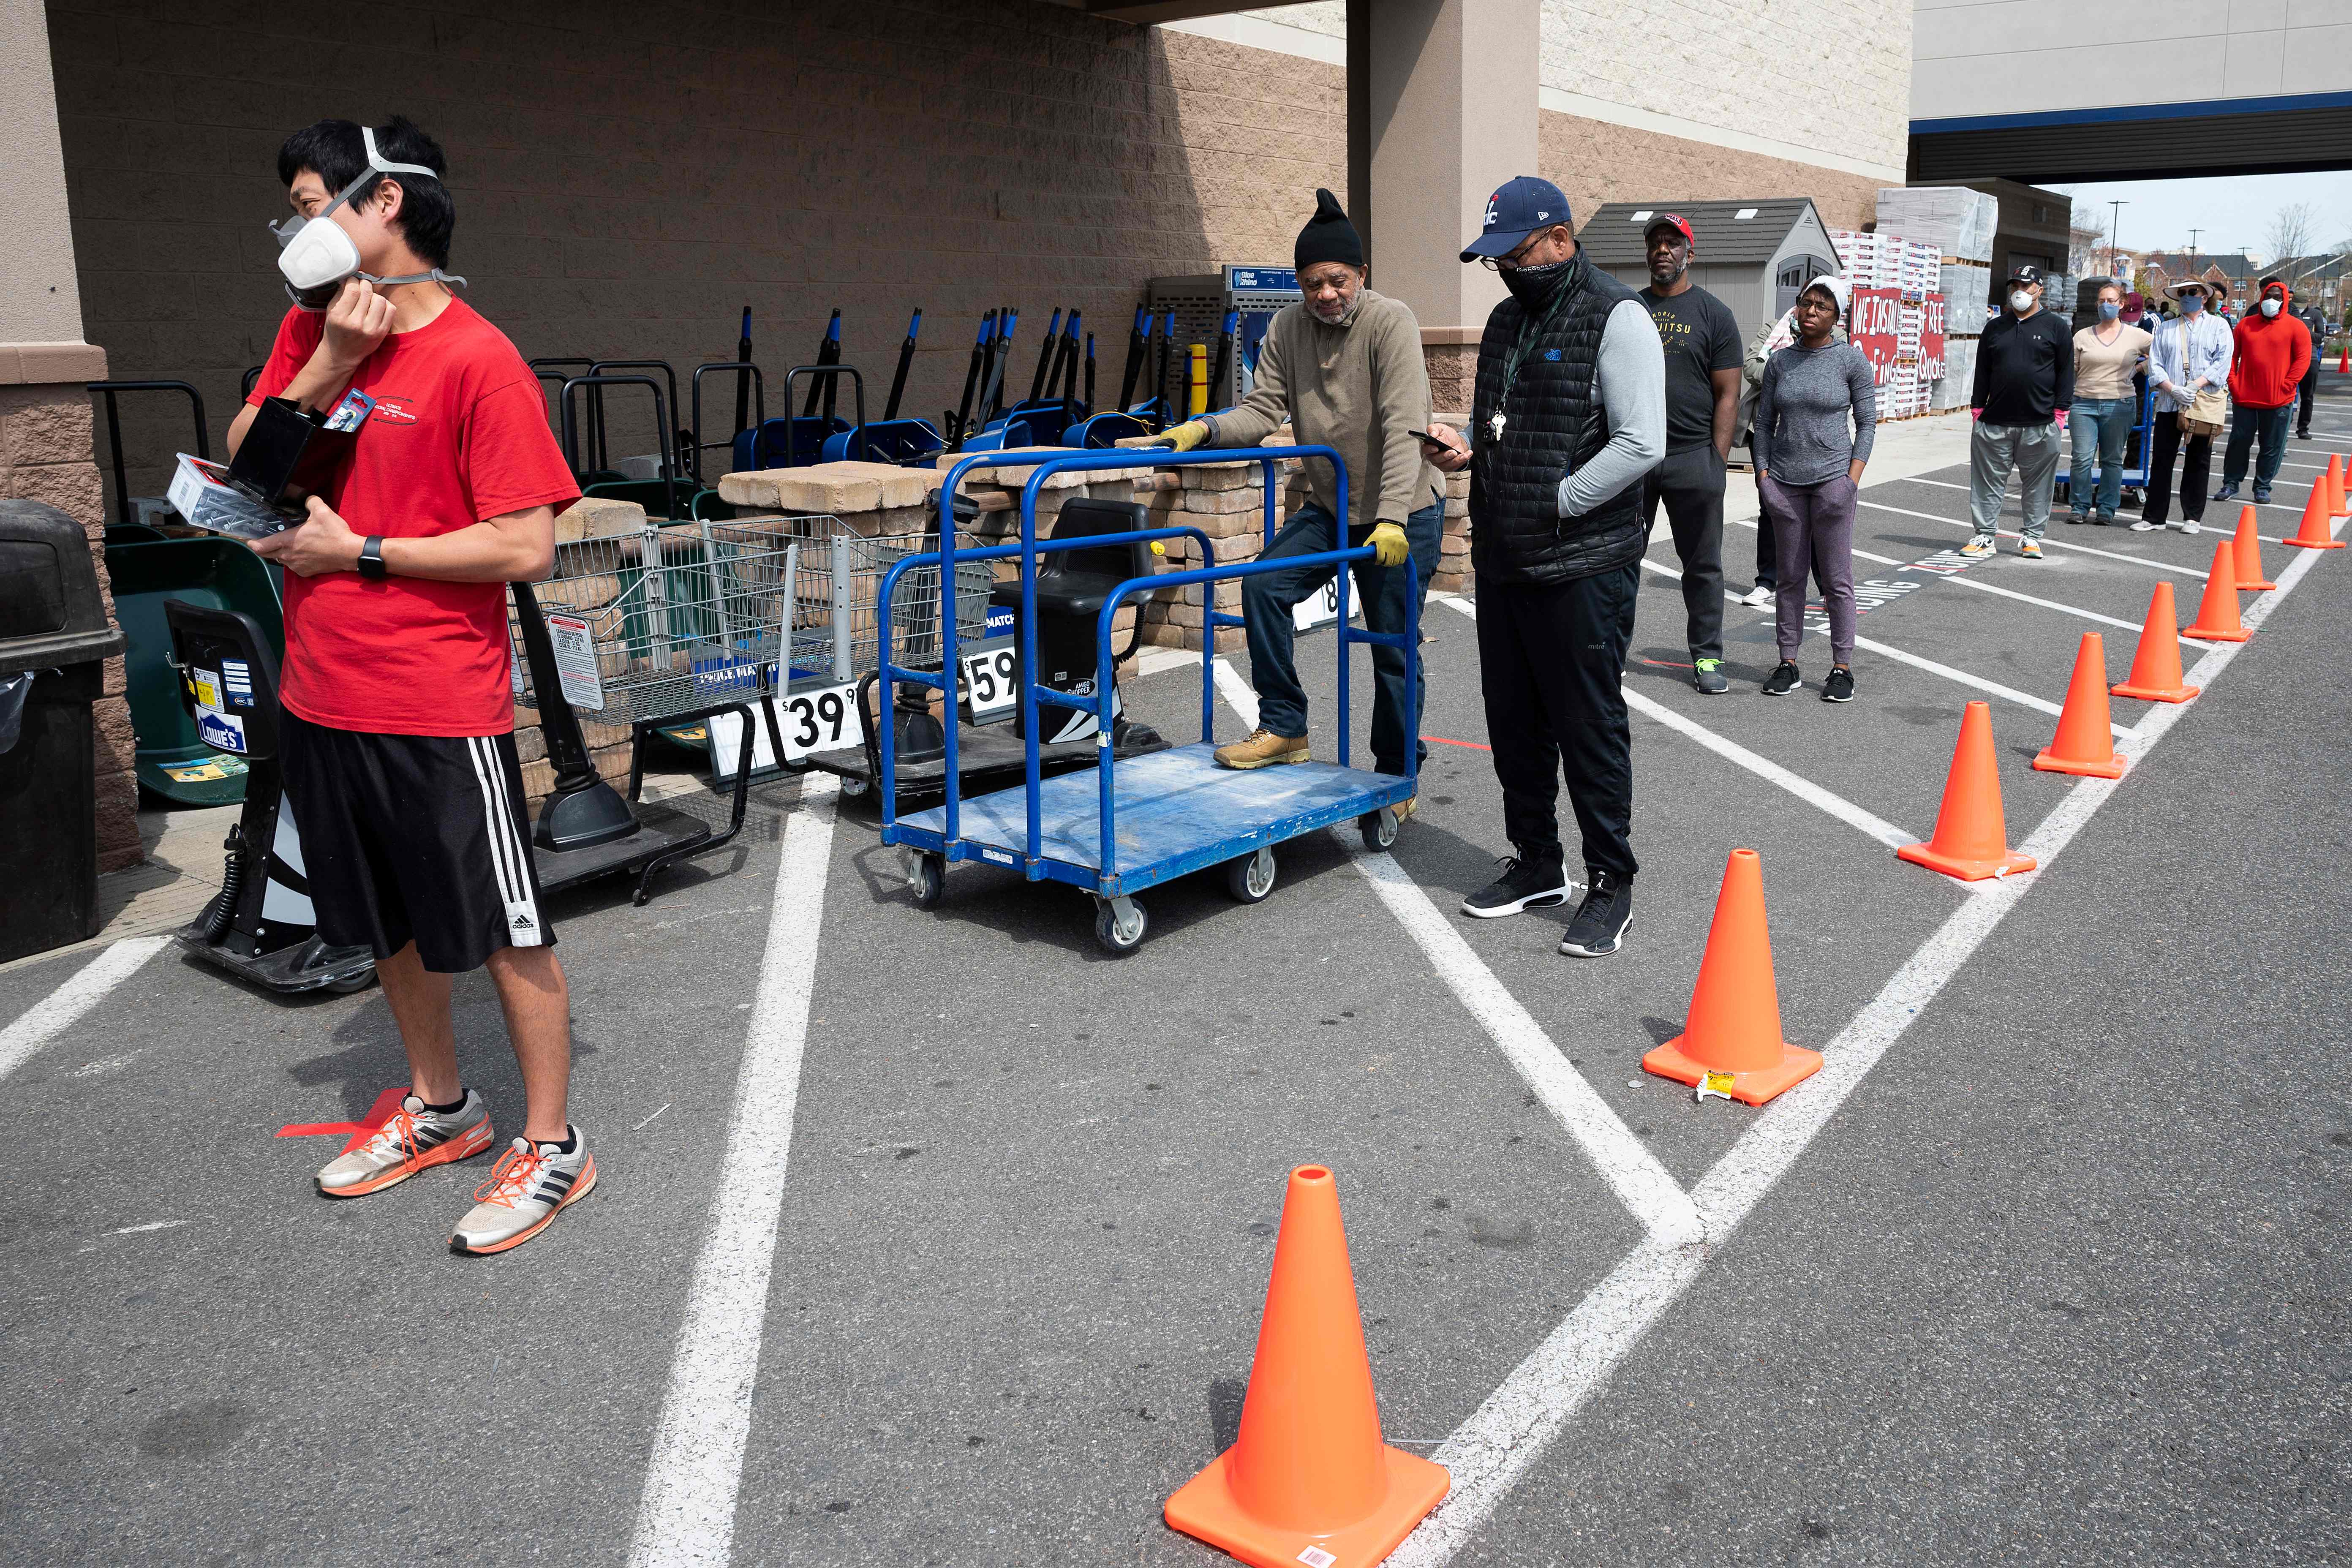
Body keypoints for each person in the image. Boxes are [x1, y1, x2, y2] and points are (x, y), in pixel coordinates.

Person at [231, 118, 593, 1256]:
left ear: (384, 200)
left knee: (504, 930)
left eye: (311, 201)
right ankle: (443, 1109)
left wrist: (365, 555)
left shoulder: (479, 358)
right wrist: (329, 365)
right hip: (325, 690)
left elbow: (524, 548)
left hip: (437, 700)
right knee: (382, 926)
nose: (298, 228)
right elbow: (251, 458)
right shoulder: (312, 327)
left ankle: (552, 1144)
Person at [1126, 190, 1442, 795]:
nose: (1325, 294)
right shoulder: (1288, 328)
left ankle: (1398, 775)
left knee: (1391, 647)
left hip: (1402, 513)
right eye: (1312, 283)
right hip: (1332, 505)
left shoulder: (1390, 322)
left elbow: (1406, 427)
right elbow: (1263, 409)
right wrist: (1204, 429)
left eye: (1337, 280)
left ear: (1361, 276)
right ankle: (1285, 726)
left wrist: (1395, 518)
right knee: (1264, 584)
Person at [1425, 176, 1663, 958]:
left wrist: (1561, 498)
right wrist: (1464, 440)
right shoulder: (1503, 322)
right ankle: (1535, 862)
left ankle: (1610, 883)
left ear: (1560, 240)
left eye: (1517, 254)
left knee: (1586, 725)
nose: (1506, 270)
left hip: (1581, 563)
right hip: (1504, 560)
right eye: (1496, 259)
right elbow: (1510, 419)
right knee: (1515, 726)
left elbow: (1639, 442)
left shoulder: (1616, 315)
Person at [1752, 277, 1875, 702]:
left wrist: (1851, 480)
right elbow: (1764, 423)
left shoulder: (1851, 362)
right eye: (1806, 303)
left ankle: (1842, 667)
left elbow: (1868, 423)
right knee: (1789, 578)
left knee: (1837, 580)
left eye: (1822, 306)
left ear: (1837, 317)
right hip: (1784, 483)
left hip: (1832, 482)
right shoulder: (1781, 362)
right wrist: (1764, 477)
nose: (1810, 312)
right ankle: (1788, 661)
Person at [1636, 213, 1742, 694]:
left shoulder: (1714, 314)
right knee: (1617, 563)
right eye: (1656, 242)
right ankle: (1608, 653)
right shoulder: (1629, 308)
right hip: (1633, 458)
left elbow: (1728, 394)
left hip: (1692, 458)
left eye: (1673, 243)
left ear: (1689, 255)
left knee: (1702, 566)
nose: (1663, 249)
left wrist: (1716, 462)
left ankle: (1706, 658)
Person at [1966, 264, 2072, 559]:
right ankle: (1984, 536)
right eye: (2016, 287)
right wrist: (1977, 410)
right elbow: (1982, 372)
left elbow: (2066, 374)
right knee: (1987, 483)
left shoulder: (2056, 327)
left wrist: (2060, 415)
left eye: (2026, 286)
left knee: (2038, 485)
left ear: (2040, 289)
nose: (2020, 292)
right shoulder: (1995, 327)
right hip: (1995, 422)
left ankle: (2031, 537)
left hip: (2040, 422)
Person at [2137, 277, 2232, 534]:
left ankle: (2192, 517)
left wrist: (2195, 386)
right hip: (2170, 402)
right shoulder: (2165, 328)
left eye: (2193, 292)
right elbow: (2154, 364)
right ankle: (2155, 517)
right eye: (2183, 293)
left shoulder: (2219, 326)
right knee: (2162, 459)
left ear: (2205, 297)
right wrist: (2173, 389)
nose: (2187, 296)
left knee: (2198, 459)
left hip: (2202, 403)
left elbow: (2223, 362)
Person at [2217, 275, 2313, 503]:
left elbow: (2303, 360)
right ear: (2261, 298)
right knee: (2238, 443)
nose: (2272, 301)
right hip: (2245, 398)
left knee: (2272, 446)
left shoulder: (2296, 327)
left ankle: (2263, 486)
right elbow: (2231, 356)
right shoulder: (2245, 325)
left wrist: (2287, 386)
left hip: (2279, 400)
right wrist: (2234, 382)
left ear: (2285, 300)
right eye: (2268, 297)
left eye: (2277, 298)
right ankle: (2231, 483)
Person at [2068, 282, 2151, 526]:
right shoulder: (2082, 336)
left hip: (2119, 404)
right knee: (2082, 458)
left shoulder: (2137, 336)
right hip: (2084, 403)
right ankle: (2080, 506)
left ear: (2122, 304)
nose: (2106, 306)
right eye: (2102, 301)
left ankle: (2106, 509)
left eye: (2111, 301)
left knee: (2112, 460)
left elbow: (2163, 352)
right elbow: (2071, 370)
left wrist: (2140, 368)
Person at [2294, 291, 2328, 438]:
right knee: (2283, 393)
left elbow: (2320, 337)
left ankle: (2303, 428)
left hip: (2310, 357)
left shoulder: (2315, 314)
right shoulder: (2288, 312)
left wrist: (2303, 332)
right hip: (2290, 358)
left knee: (2307, 396)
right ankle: (2279, 424)